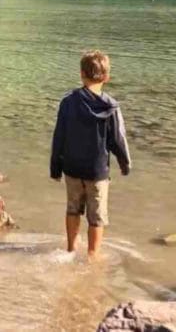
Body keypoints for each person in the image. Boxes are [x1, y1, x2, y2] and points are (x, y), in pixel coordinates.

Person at [50, 50, 131, 259]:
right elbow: (118, 140)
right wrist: (125, 163)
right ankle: (93, 255)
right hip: (97, 172)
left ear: (81, 74)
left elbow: (59, 136)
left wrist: (55, 166)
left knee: (73, 209)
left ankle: (70, 249)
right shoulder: (112, 107)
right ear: (106, 77)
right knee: (97, 217)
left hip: (72, 168)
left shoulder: (68, 102)